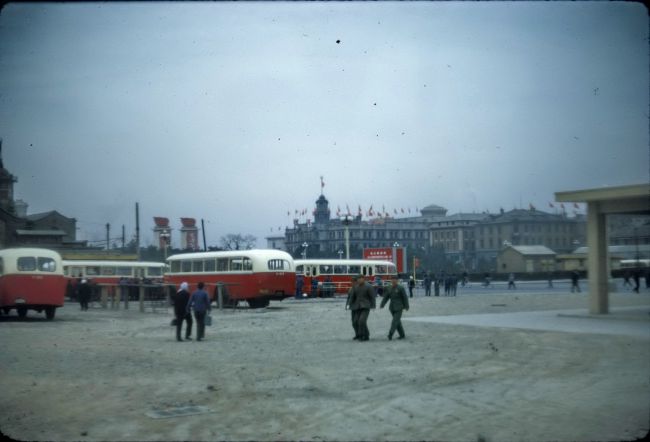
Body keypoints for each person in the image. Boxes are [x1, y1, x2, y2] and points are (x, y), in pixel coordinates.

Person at [347, 275, 376, 341]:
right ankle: (364, 335)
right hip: (357, 307)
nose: (359, 280)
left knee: (361, 321)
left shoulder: (368, 286)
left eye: (360, 279)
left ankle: (362, 335)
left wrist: (373, 306)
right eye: (358, 279)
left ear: (363, 279)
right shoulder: (355, 287)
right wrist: (349, 304)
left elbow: (372, 297)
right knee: (356, 321)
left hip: (366, 306)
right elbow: (352, 297)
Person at [380, 274, 409, 340]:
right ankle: (402, 334)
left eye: (395, 279)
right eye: (392, 279)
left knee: (394, 321)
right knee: (397, 322)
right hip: (392, 308)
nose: (393, 281)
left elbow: (405, 298)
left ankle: (390, 334)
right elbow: (386, 297)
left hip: (399, 307)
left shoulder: (400, 288)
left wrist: (406, 306)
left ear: (397, 280)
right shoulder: (389, 287)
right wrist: (382, 304)